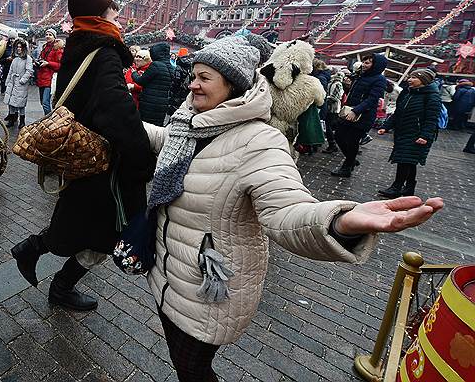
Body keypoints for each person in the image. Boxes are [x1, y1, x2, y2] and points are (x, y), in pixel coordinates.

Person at [141, 37, 444, 381]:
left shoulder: (259, 141)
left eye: (205, 77)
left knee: (192, 368)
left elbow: (287, 211)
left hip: (206, 286)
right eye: (193, 75)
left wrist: (339, 222)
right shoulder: (189, 125)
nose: (193, 84)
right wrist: (108, 114)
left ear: (234, 85)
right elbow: (159, 139)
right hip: (167, 271)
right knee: (183, 362)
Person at [10, 0, 155, 311]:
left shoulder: (80, 46)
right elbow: (115, 108)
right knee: (102, 234)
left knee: (81, 226)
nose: (119, 25)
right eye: (114, 18)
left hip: (83, 156)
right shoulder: (104, 52)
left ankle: (37, 256)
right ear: (98, 19)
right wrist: (141, 155)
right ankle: (57, 283)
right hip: (103, 161)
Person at [377, 69, 442, 198]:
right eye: (409, 77)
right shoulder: (408, 93)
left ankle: (397, 187)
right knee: (409, 161)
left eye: (414, 78)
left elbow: (432, 119)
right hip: (403, 132)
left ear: (424, 80)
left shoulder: (432, 96)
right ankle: (409, 188)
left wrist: (424, 136)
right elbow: (398, 112)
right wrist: (386, 126)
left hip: (417, 134)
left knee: (404, 159)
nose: (409, 80)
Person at [331, 53, 388, 177]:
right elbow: (353, 93)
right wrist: (347, 86)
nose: (364, 64)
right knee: (339, 137)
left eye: (368, 62)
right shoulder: (360, 75)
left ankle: (347, 167)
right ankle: (351, 160)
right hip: (348, 112)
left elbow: (372, 99)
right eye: (364, 61)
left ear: (376, 65)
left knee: (352, 141)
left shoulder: (379, 79)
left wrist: (356, 111)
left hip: (363, 115)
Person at [133, 42, 174, 126]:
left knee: (144, 126)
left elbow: (140, 81)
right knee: (156, 128)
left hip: (149, 103)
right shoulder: (170, 67)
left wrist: (134, 73)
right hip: (162, 104)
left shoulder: (156, 65)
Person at [3, 38, 33, 127]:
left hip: (21, 84)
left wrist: (22, 81)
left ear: (24, 48)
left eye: (20, 47)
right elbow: (10, 71)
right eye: (17, 47)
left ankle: (22, 121)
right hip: (13, 83)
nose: (18, 49)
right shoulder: (15, 59)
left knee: (21, 104)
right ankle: (12, 120)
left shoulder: (28, 59)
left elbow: (29, 71)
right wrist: (7, 82)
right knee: (11, 102)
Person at [35, 29, 62, 115]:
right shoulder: (44, 47)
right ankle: (47, 118)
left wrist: (48, 63)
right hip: (41, 78)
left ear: (54, 37)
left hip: (50, 79)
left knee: (45, 103)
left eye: (50, 34)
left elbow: (60, 65)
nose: (47, 36)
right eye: (46, 34)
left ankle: (49, 120)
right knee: (42, 103)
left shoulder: (57, 48)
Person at [323, 71, 344, 153]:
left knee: (328, 126)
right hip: (330, 107)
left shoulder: (337, 84)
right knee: (329, 126)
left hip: (333, 108)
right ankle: (332, 144)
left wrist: (325, 99)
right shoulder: (334, 83)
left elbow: (334, 97)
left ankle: (332, 145)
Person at [167, 48, 192, 119]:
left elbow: (176, 80)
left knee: (175, 107)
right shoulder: (191, 65)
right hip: (187, 91)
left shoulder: (179, 66)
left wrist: (172, 90)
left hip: (178, 92)